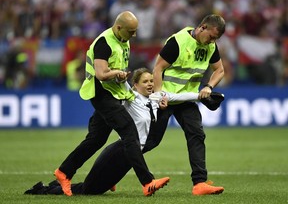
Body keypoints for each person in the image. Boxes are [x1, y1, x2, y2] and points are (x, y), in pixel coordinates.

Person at [26, 67, 216, 195]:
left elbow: (181, 95)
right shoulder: (129, 97)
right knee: (89, 191)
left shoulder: (158, 97)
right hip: (118, 153)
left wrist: (205, 94)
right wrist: (118, 75)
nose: (150, 84)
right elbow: (117, 88)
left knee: (93, 189)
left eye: (151, 80)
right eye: (145, 81)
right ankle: (43, 189)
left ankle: (52, 187)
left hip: (130, 157)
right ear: (135, 85)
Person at [53, 11, 170, 197]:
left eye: (135, 31)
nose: (134, 35)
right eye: (131, 31)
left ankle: (64, 172)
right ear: (118, 27)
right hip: (101, 94)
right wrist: (116, 73)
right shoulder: (103, 43)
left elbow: (115, 69)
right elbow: (100, 74)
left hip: (113, 93)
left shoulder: (124, 40)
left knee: (96, 139)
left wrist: (120, 76)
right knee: (129, 132)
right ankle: (147, 182)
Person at [151, 14, 226, 195]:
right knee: (149, 141)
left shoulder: (210, 46)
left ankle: (200, 183)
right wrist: (159, 95)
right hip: (166, 98)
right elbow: (158, 68)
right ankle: (110, 174)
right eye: (211, 37)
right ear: (202, 27)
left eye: (215, 39)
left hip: (186, 99)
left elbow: (220, 70)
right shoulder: (177, 42)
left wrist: (208, 86)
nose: (212, 42)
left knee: (196, 134)